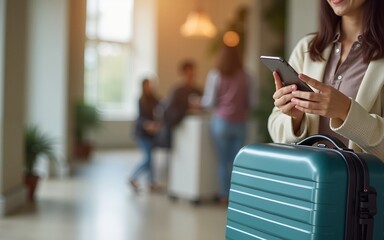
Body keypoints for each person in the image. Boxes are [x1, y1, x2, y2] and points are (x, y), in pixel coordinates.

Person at [268, 0, 384, 161]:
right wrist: (295, 119)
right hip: (310, 182)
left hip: (366, 185)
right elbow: (275, 129)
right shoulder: (306, 48)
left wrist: (346, 111)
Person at [201, 44, 257, 204]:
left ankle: (224, 196)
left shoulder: (215, 75)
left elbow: (209, 101)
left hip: (221, 123)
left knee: (222, 162)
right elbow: (253, 102)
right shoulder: (246, 76)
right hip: (240, 123)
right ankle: (236, 196)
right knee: (236, 162)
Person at [158, 60, 203, 148]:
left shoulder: (199, 91)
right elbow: (171, 112)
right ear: (183, 73)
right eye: (188, 72)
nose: (191, 75)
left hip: (196, 128)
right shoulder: (177, 92)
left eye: (192, 72)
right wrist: (187, 109)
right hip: (180, 130)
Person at [129, 78, 161, 192]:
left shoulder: (155, 99)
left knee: (151, 158)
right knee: (148, 159)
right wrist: (147, 125)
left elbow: (162, 111)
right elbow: (140, 118)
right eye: (148, 85)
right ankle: (133, 177)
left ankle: (151, 183)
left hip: (151, 134)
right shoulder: (141, 100)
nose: (150, 87)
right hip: (142, 133)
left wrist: (156, 125)